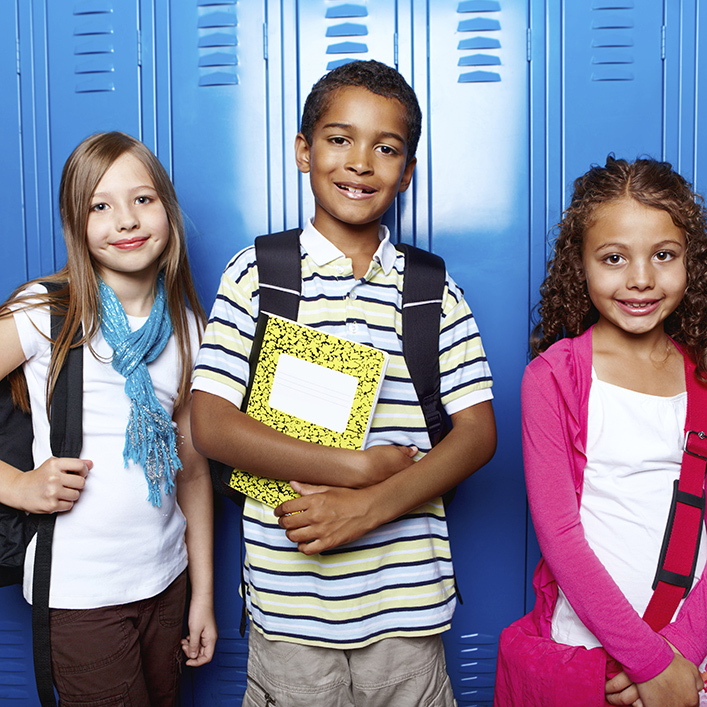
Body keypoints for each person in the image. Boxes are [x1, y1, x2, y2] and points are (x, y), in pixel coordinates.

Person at [191, 59, 496, 706]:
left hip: (407, 613)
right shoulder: (257, 275)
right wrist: (353, 468)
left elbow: (476, 435)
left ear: (406, 171)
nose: (359, 162)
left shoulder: (430, 290)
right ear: (303, 150)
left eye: (385, 148)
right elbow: (211, 423)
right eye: (338, 139)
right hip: (290, 616)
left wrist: (368, 506)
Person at [0, 131, 217, 705]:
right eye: (101, 205)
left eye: (143, 199)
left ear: (167, 210)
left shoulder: (189, 327)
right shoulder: (48, 310)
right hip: (79, 594)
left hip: (165, 584)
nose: (126, 219)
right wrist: (17, 485)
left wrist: (202, 597)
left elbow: (192, 471)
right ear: (78, 223)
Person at [513, 156, 707, 707]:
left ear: (690, 261)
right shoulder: (553, 377)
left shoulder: (703, 373)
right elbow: (560, 538)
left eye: (663, 255)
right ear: (582, 266)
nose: (641, 279)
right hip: (594, 657)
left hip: (692, 654)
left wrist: (680, 655)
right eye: (614, 258)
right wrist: (646, 662)